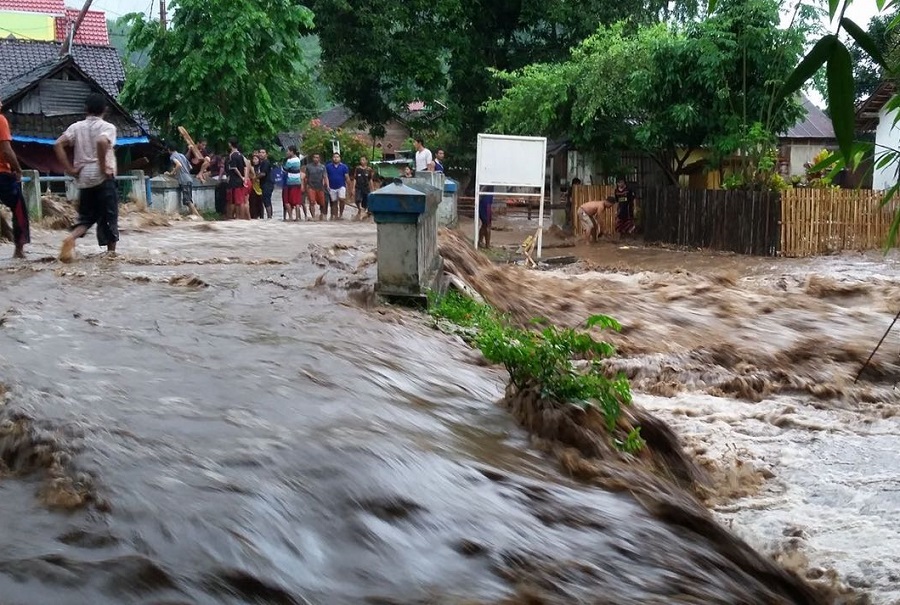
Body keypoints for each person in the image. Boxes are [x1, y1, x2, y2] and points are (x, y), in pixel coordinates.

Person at [54, 93, 119, 262]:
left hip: (83, 177)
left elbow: (58, 144)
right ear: (105, 109)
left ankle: (71, 238)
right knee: (109, 220)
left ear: (85, 109)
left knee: (86, 218)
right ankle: (110, 259)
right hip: (103, 178)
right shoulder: (108, 127)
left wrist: (69, 169)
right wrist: (103, 166)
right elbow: (101, 142)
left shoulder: (76, 127)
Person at [0, 98, 29, 259]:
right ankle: (19, 250)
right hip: (2, 174)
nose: (1, 103)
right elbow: (6, 149)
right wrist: (18, 169)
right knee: (19, 210)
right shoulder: (1, 120)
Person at [165, 141, 202, 218]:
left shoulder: (172, 157)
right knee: (189, 199)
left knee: (188, 200)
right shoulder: (182, 155)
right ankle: (193, 215)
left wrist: (171, 173)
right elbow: (190, 167)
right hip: (189, 178)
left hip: (183, 180)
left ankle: (197, 216)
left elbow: (178, 165)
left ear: (169, 149)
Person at [226, 137, 249, 220]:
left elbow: (234, 168)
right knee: (241, 200)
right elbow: (245, 167)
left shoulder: (232, 155)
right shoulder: (240, 155)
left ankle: (239, 217)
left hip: (235, 180)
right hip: (240, 180)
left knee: (237, 201)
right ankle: (241, 217)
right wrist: (244, 178)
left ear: (230, 144)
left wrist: (240, 176)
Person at [282, 146, 305, 221]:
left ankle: (290, 217)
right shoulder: (298, 160)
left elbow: (285, 169)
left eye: (288, 151)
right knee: (297, 201)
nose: (287, 153)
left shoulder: (290, 161)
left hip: (289, 182)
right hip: (297, 182)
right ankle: (297, 217)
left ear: (292, 152)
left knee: (287, 201)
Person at [325, 152, 349, 220]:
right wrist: (327, 185)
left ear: (340, 158)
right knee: (334, 202)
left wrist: (349, 187)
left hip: (341, 186)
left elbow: (347, 177)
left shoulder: (344, 167)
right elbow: (326, 176)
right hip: (332, 187)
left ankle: (341, 214)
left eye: (337, 157)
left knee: (342, 199)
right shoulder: (328, 166)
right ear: (332, 158)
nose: (336, 158)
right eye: (334, 157)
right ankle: (335, 215)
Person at [305, 153, 327, 220]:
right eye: (314, 157)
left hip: (320, 187)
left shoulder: (322, 167)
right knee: (312, 202)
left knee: (322, 203)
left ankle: (322, 215)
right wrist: (306, 186)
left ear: (319, 159)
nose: (316, 159)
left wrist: (326, 185)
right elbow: (306, 177)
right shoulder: (308, 167)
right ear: (312, 158)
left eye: (317, 157)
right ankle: (313, 216)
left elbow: (325, 177)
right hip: (311, 186)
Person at [258, 148, 274, 219]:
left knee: (266, 200)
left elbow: (263, 174)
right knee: (267, 200)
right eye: (260, 152)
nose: (261, 154)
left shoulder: (266, 162)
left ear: (266, 154)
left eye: (263, 152)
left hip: (267, 184)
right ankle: (269, 216)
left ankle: (269, 216)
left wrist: (255, 178)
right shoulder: (263, 162)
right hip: (266, 184)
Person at [249, 153, 264, 219]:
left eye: (256, 159)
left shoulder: (261, 167)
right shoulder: (251, 168)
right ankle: (254, 215)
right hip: (252, 186)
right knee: (253, 202)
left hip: (260, 187)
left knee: (260, 202)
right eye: (253, 159)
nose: (254, 160)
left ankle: (261, 215)